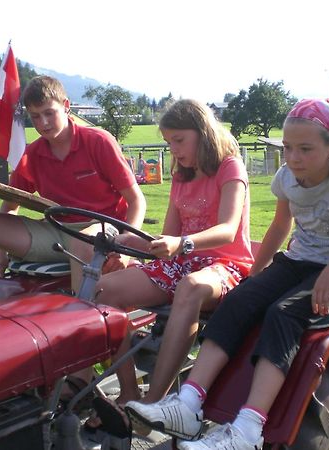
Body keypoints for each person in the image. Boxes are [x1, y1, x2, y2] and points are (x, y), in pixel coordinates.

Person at [125, 98, 329, 449]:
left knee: (282, 314)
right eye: (288, 148)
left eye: (305, 149)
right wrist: (254, 273)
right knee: (239, 301)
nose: (293, 158)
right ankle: (188, 404)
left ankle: (248, 428)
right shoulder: (287, 177)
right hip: (297, 262)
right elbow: (281, 226)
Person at [90, 99, 253, 416]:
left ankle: (155, 402)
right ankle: (128, 392)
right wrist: (126, 240)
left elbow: (228, 230)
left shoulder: (230, 167)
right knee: (101, 290)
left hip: (224, 266)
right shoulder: (182, 175)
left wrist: (182, 243)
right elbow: (165, 235)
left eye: (179, 140)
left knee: (189, 287)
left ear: (202, 133)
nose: (174, 149)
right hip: (181, 262)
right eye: (169, 142)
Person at [0, 75, 146, 310]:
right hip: (56, 230)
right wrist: (1, 252)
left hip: (101, 230)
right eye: (35, 116)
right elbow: (11, 206)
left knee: (83, 242)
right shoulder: (32, 155)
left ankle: (80, 326)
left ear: (66, 106)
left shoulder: (98, 142)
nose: (43, 123)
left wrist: (123, 248)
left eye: (49, 113)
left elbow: (136, 201)